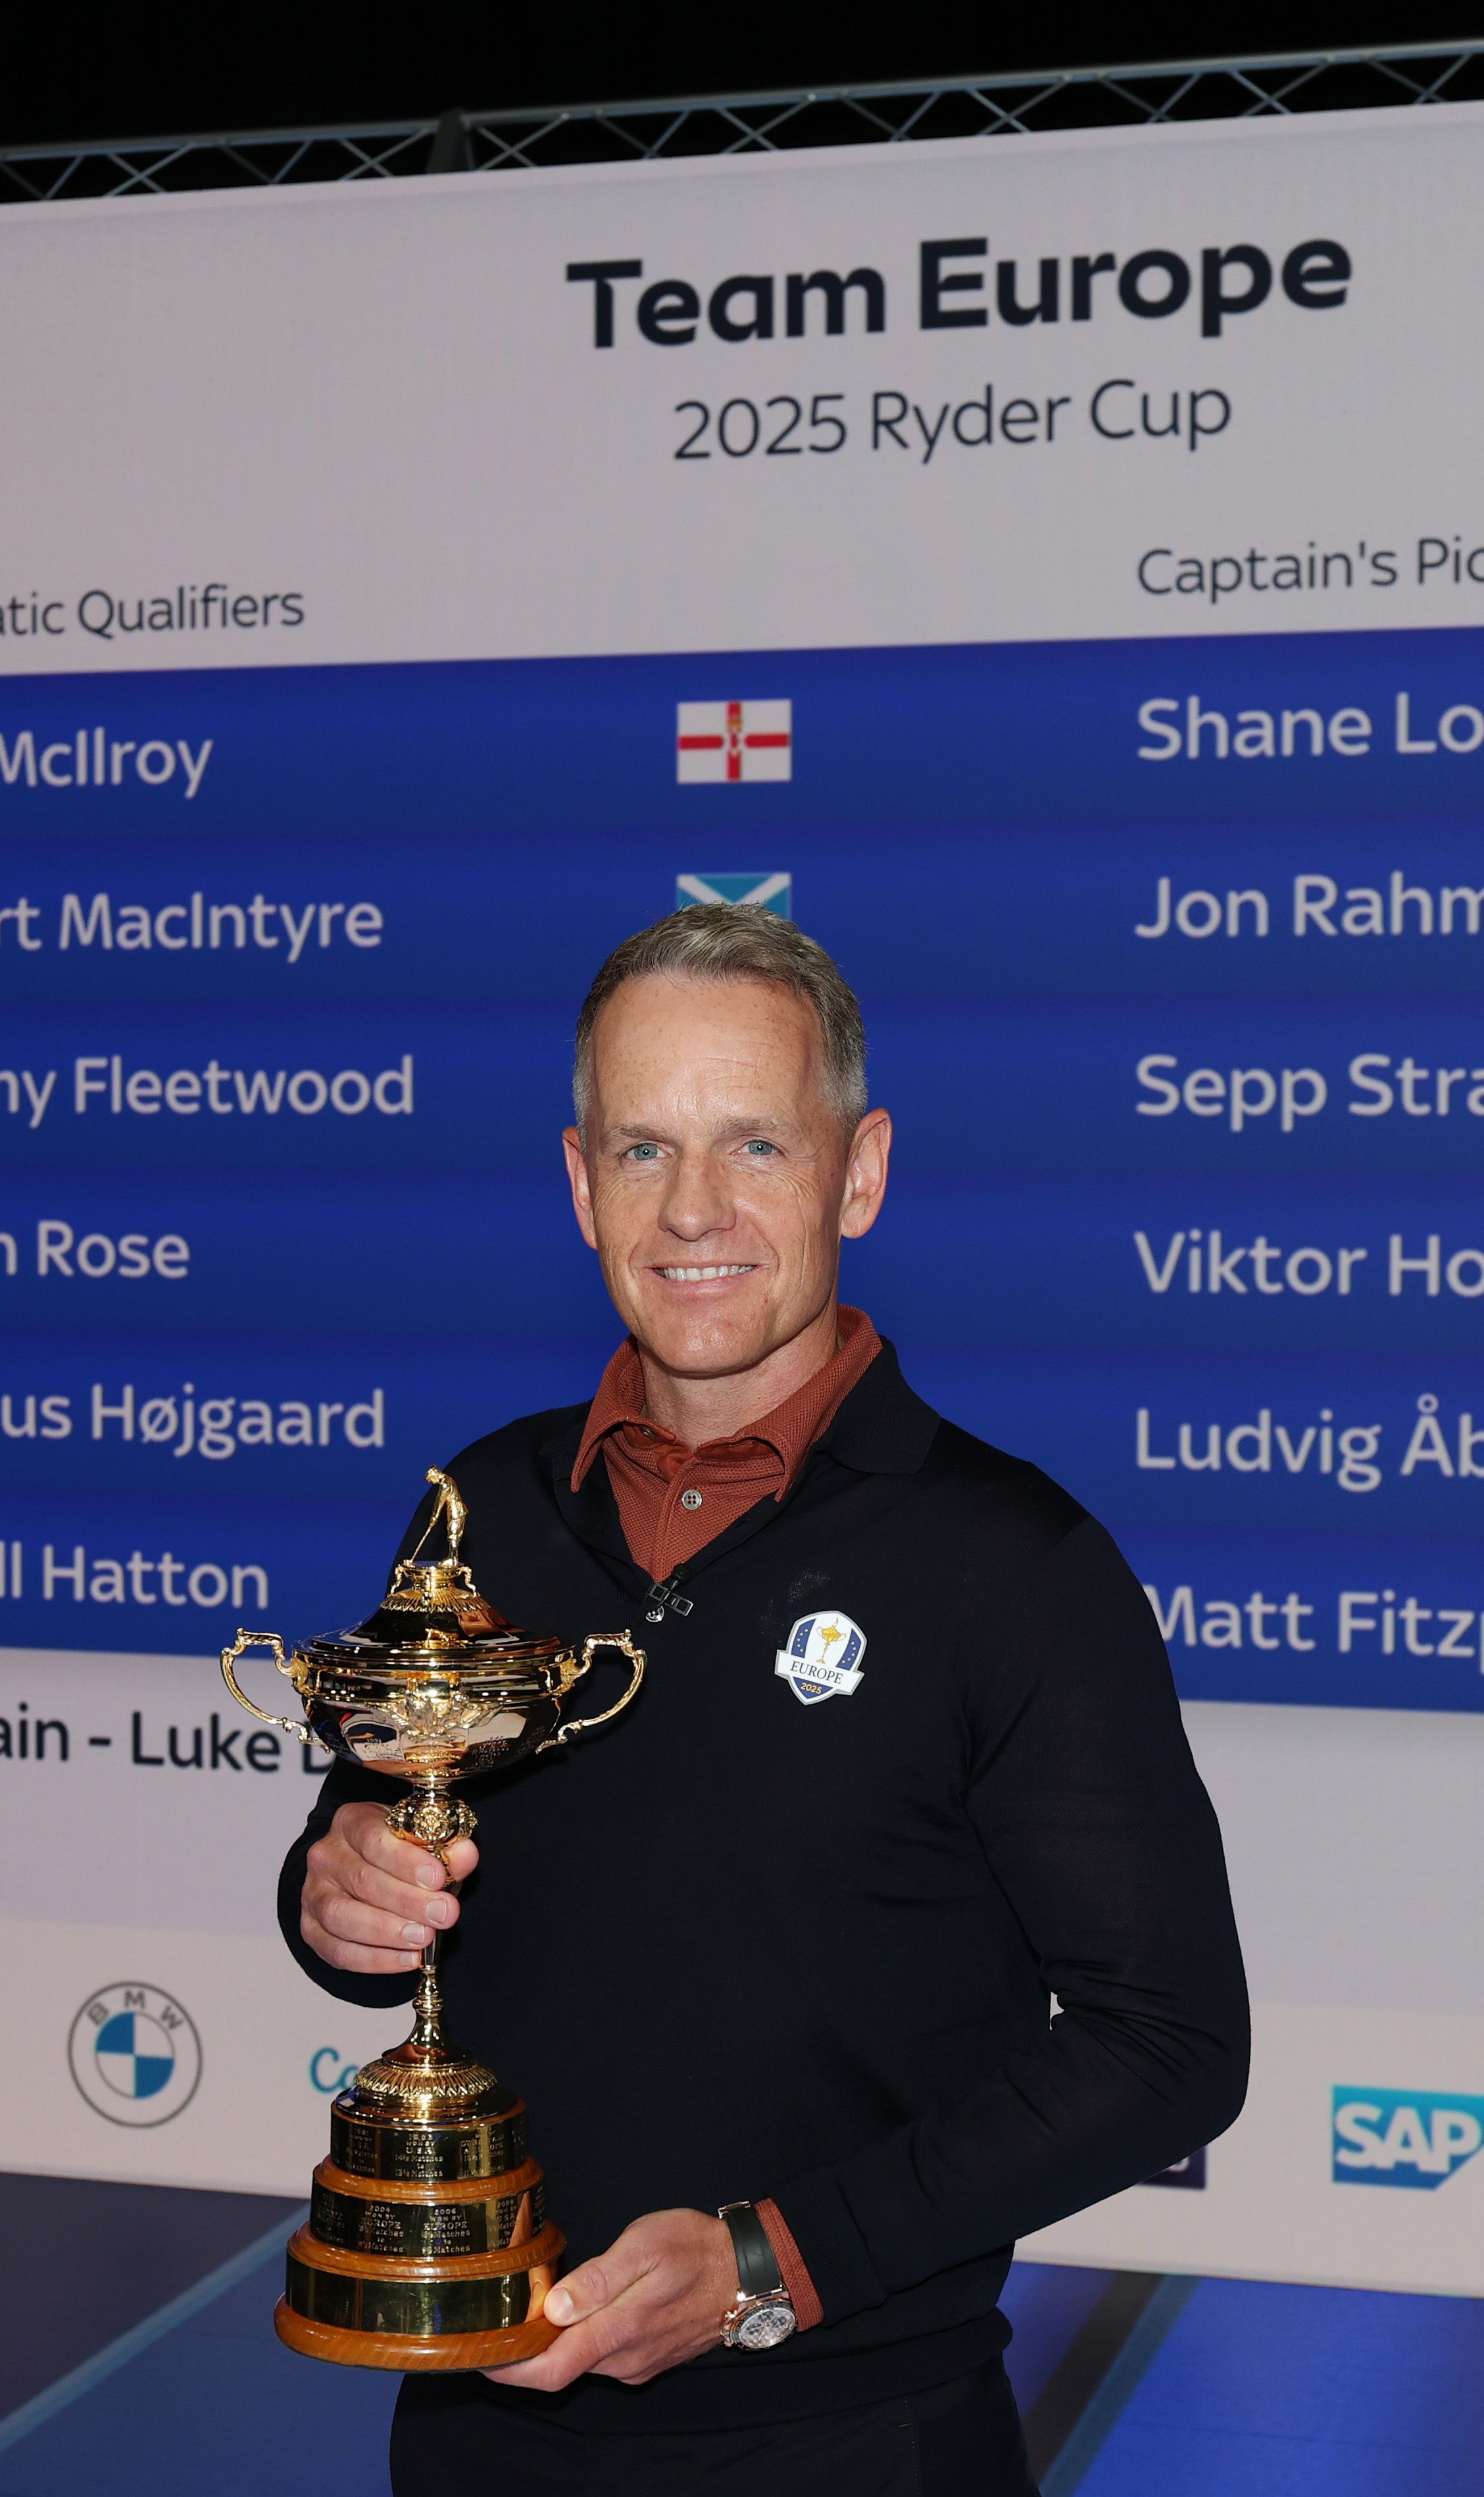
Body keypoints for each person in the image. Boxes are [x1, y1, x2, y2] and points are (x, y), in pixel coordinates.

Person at [279, 904, 1250, 2496]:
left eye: (754, 1144)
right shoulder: (480, 1510)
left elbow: (1172, 2045)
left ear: (857, 1172)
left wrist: (771, 2257)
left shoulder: (1014, 1561)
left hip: (854, 2439)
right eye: (643, 1149)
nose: (694, 1210)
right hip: (476, 2423)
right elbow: (366, 1840)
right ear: (580, 1182)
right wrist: (336, 1896)